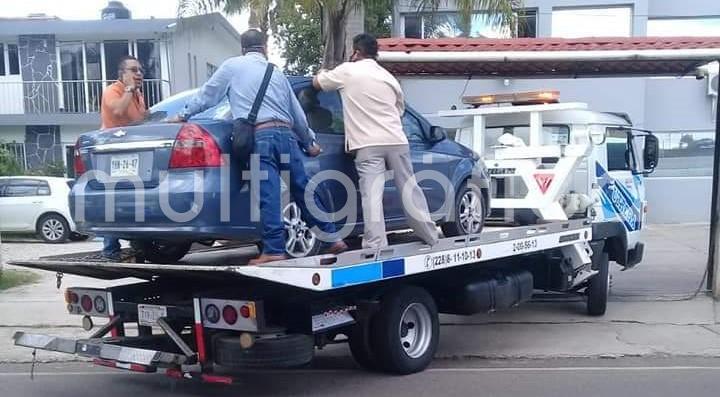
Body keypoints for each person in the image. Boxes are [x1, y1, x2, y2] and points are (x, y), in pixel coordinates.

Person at [170, 29, 347, 265]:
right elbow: (296, 113)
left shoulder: (233, 66)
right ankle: (332, 236)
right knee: (302, 187)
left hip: (260, 137)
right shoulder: (276, 72)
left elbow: (208, 96)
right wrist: (310, 142)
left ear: (242, 48)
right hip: (286, 136)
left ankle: (274, 249)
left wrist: (183, 114)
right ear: (264, 48)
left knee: (269, 193)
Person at [313, 33, 439, 250]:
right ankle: (430, 235)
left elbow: (317, 83)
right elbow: (399, 111)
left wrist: (323, 72)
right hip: (396, 140)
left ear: (356, 52)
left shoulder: (347, 71)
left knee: (372, 194)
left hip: (367, 144)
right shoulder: (388, 77)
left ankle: (376, 243)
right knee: (409, 188)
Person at [99, 55, 148, 260]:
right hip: (113, 155)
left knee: (134, 200)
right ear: (122, 74)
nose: (139, 74)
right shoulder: (113, 91)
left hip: (133, 155)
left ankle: (140, 244)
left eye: (140, 71)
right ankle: (110, 249)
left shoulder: (139, 95)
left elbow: (142, 120)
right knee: (114, 200)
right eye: (134, 70)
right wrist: (129, 89)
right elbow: (118, 111)